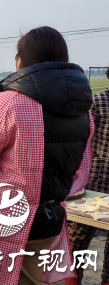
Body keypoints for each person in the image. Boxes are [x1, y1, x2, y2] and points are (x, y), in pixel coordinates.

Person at [0, 26, 94, 285]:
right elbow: (80, 174)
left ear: (21, 60)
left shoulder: (5, 104)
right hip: (48, 221)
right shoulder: (83, 112)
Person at [67, 69, 109, 285]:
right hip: (97, 181)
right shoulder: (99, 102)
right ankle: (72, 279)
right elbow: (82, 137)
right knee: (79, 235)